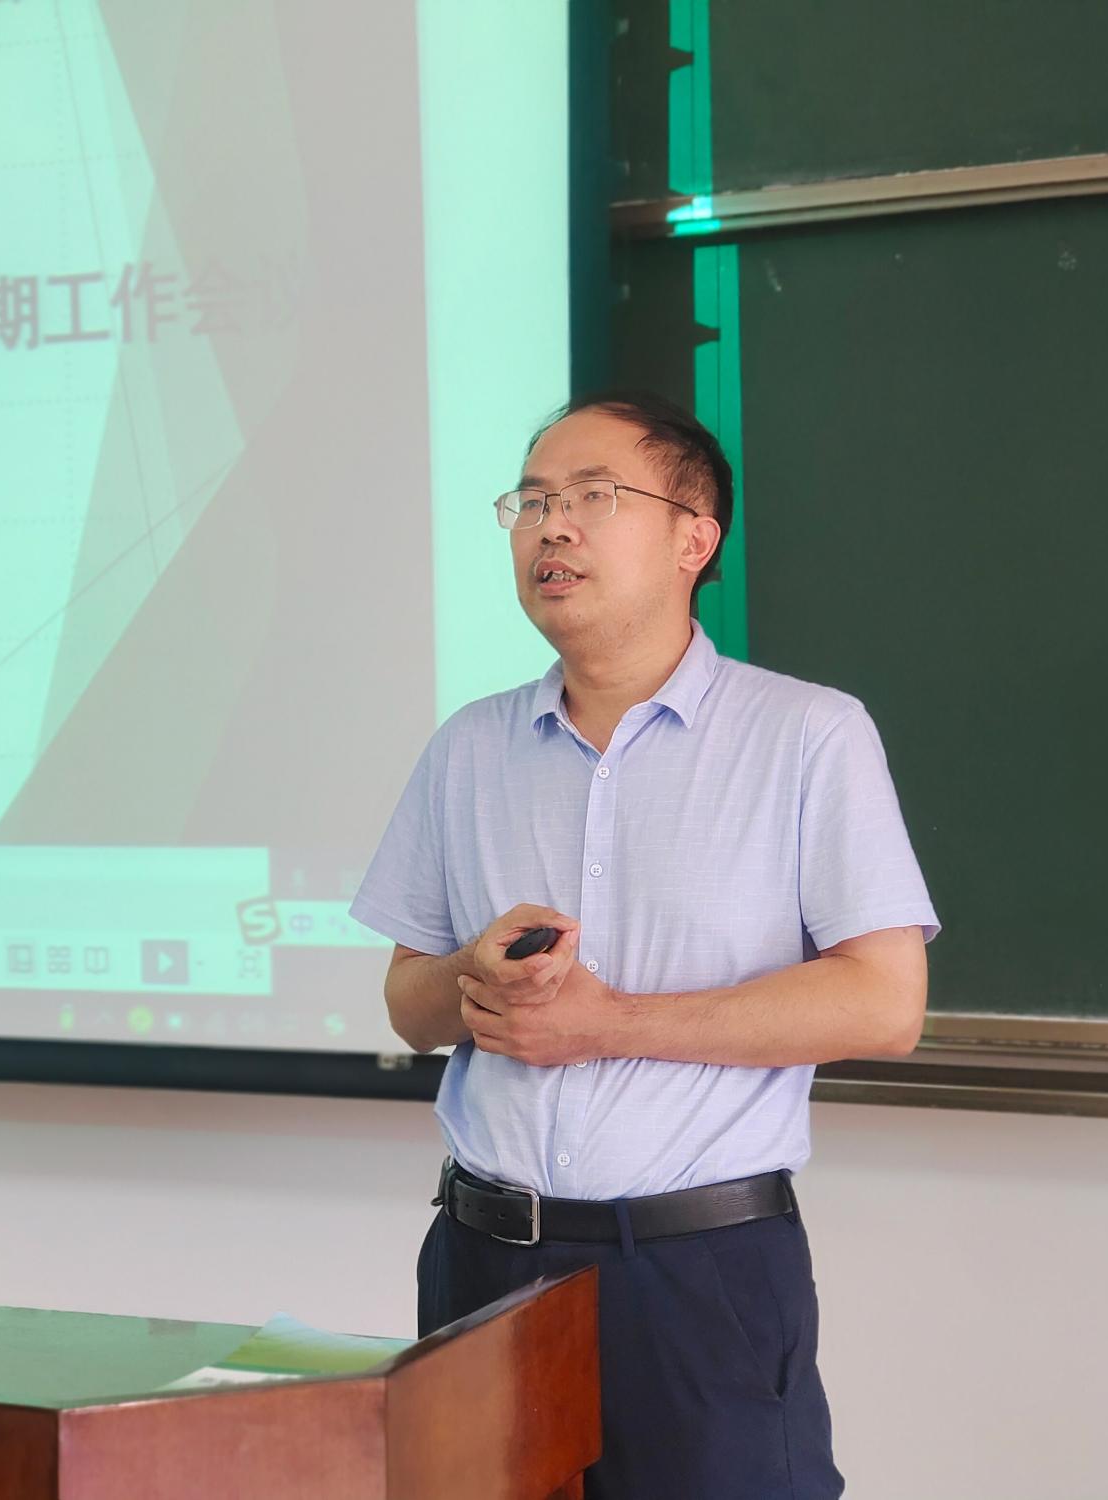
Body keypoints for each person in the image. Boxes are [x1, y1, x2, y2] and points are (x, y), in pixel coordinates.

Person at [347, 390, 940, 1499]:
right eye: (531, 502)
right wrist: (468, 976)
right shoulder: (468, 749)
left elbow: (882, 1002)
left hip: (695, 1274)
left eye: (592, 496)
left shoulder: (806, 734)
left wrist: (608, 1024)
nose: (552, 527)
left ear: (692, 540)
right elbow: (407, 1005)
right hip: (482, 1263)